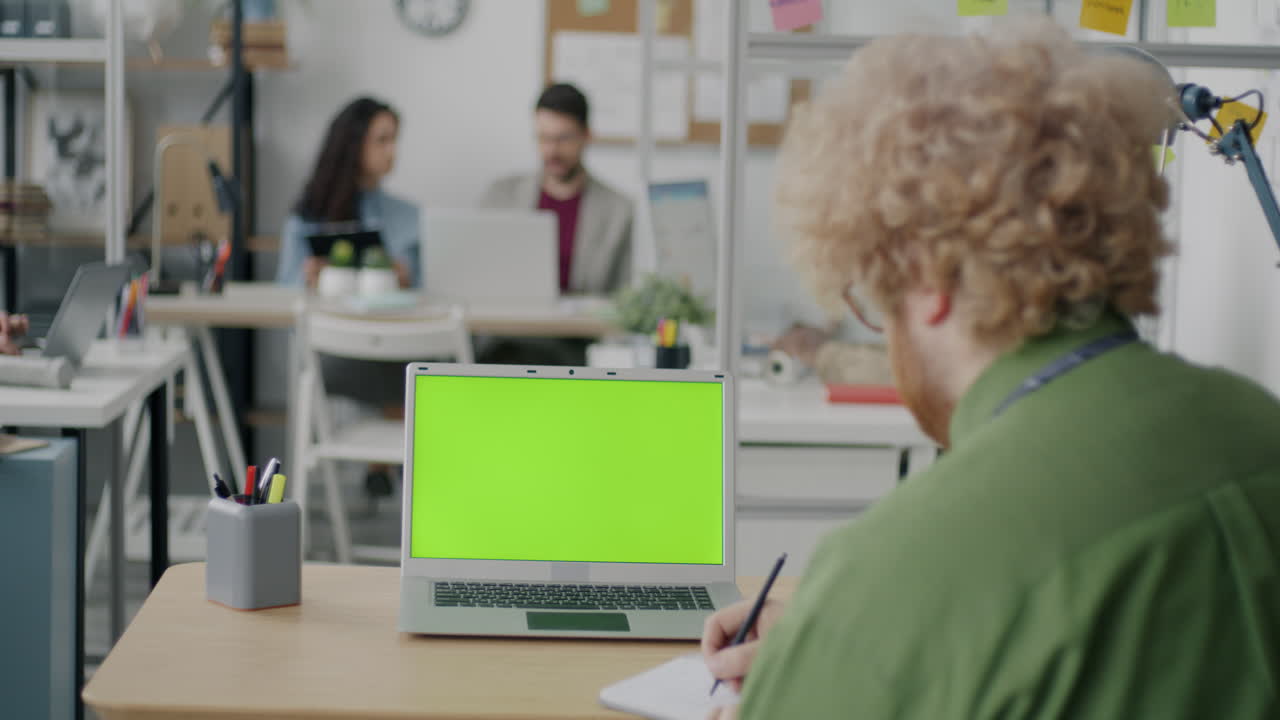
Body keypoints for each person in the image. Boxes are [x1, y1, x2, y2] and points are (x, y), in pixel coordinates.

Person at [702, 21, 1280, 719]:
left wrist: (826, 665)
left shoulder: (892, 573)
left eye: (874, 298)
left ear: (927, 274)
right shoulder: (1260, 426)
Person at [482, 82, 632, 295]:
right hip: (512, 322)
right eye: (544, 138)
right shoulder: (500, 196)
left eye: (564, 138)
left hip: (582, 326)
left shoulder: (619, 211)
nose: (552, 151)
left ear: (587, 136)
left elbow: (624, 296)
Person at [277, 96, 419, 291]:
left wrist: (408, 280)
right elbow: (284, 288)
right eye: (382, 140)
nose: (392, 151)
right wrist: (307, 280)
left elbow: (429, 286)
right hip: (324, 318)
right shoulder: (307, 215)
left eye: (394, 139)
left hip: (389, 318)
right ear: (353, 143)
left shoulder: (410, 217)